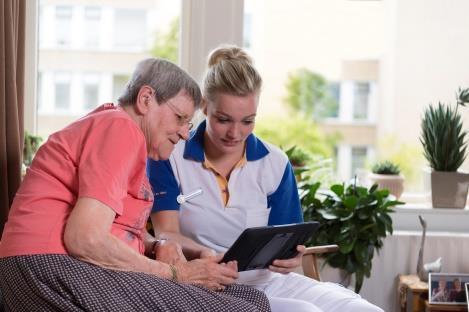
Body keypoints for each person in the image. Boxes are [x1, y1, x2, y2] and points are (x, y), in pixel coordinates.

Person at [0, 58, 271, 312]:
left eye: (189, 123)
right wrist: (177, 273)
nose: (186, 133)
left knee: (252, 298)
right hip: (47, 265)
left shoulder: (115, 132)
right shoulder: (121, 127)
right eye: (179, 118)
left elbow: (107, 228)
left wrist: (155, 246)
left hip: (37, 268)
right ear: (145, 100)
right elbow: (85, 238)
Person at [147, 45, 383, 312]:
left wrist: (291, 257)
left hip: (268, 280)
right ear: (203, 106)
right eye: (224, 119)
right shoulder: (170, 154)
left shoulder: (275, 162)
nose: (235, 133)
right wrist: (208, 256)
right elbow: (167, 233)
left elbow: (288, 240)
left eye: (248, 121)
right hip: (205, 282)